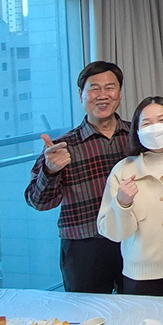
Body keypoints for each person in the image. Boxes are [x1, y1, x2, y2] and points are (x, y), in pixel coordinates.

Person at [25, 61, 129, 293]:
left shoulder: (138, 136)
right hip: (84, 245)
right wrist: (50, 170)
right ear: (81, 95)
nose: (102, 95)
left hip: (132, 240)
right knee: (85, 311)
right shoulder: (63, 146)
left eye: (110, 88)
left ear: (120, 94)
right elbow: (38, 202)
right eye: (94, 88)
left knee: (138, 309)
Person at [97, 96, 163, 297]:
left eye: (162, 120)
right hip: (140, 279)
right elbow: (112, 233)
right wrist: (122, 203)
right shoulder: (123, 170)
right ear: (137, 131)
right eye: (147, 123)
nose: (155, 128)